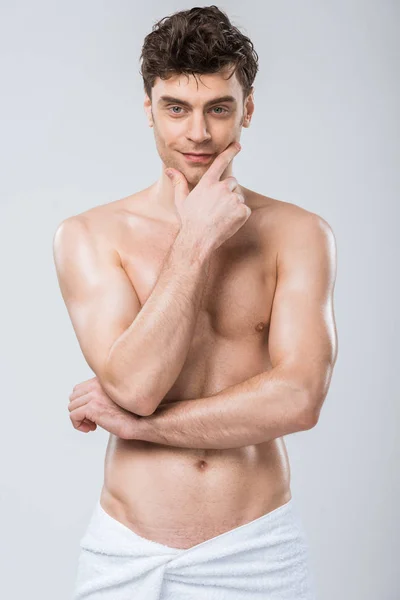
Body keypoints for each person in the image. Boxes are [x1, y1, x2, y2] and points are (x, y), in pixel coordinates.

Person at [53, 6, 337, 599]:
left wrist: (138, 428)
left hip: (257, 553)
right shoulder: (88, 236)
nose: (198, 134)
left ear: (248, 109)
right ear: (149, 108)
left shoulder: (300, 234)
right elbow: (135, 384)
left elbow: (299, 398)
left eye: (219, 108)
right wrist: (196, 241)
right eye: (176, 109)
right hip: (127, 556)